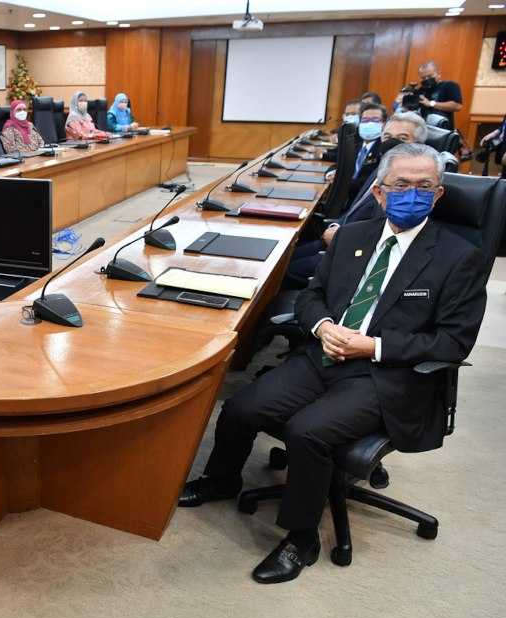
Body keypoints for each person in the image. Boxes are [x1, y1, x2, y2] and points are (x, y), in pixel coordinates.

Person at [178, 143, 486, 584]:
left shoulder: (460, 258)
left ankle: (301, 537)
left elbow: (454, 341)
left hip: (386, 373)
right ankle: (223, 479)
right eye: (401, 185)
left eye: (424, 186)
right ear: (380, 192)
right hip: (323, 352)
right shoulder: (353, 237)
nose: (412, 193)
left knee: (309, 431)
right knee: (242, 407)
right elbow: (311, 296)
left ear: (438, 196)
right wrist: (323, 326)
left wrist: (372, 346)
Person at [284, 112, 427, 289]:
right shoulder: (383, 169)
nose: (392, 143)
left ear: (419, 145)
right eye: (388, 137)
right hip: (340, 235)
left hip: (354, 253)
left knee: (284, 271)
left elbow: (386, 233)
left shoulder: (412, 190)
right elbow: (356, 208)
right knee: (283, 256)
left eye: (402, 139)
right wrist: (336, 226)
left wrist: (342, 235)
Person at [396, 62, 462, 130]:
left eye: (430, 76)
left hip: (442, 130)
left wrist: (430, 103)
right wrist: (404, 103)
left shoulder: (449, 85)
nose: (427, 79)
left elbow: (457, 106)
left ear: (439, 74)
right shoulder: (420, 90)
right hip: (421, 129)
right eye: (423, 78)